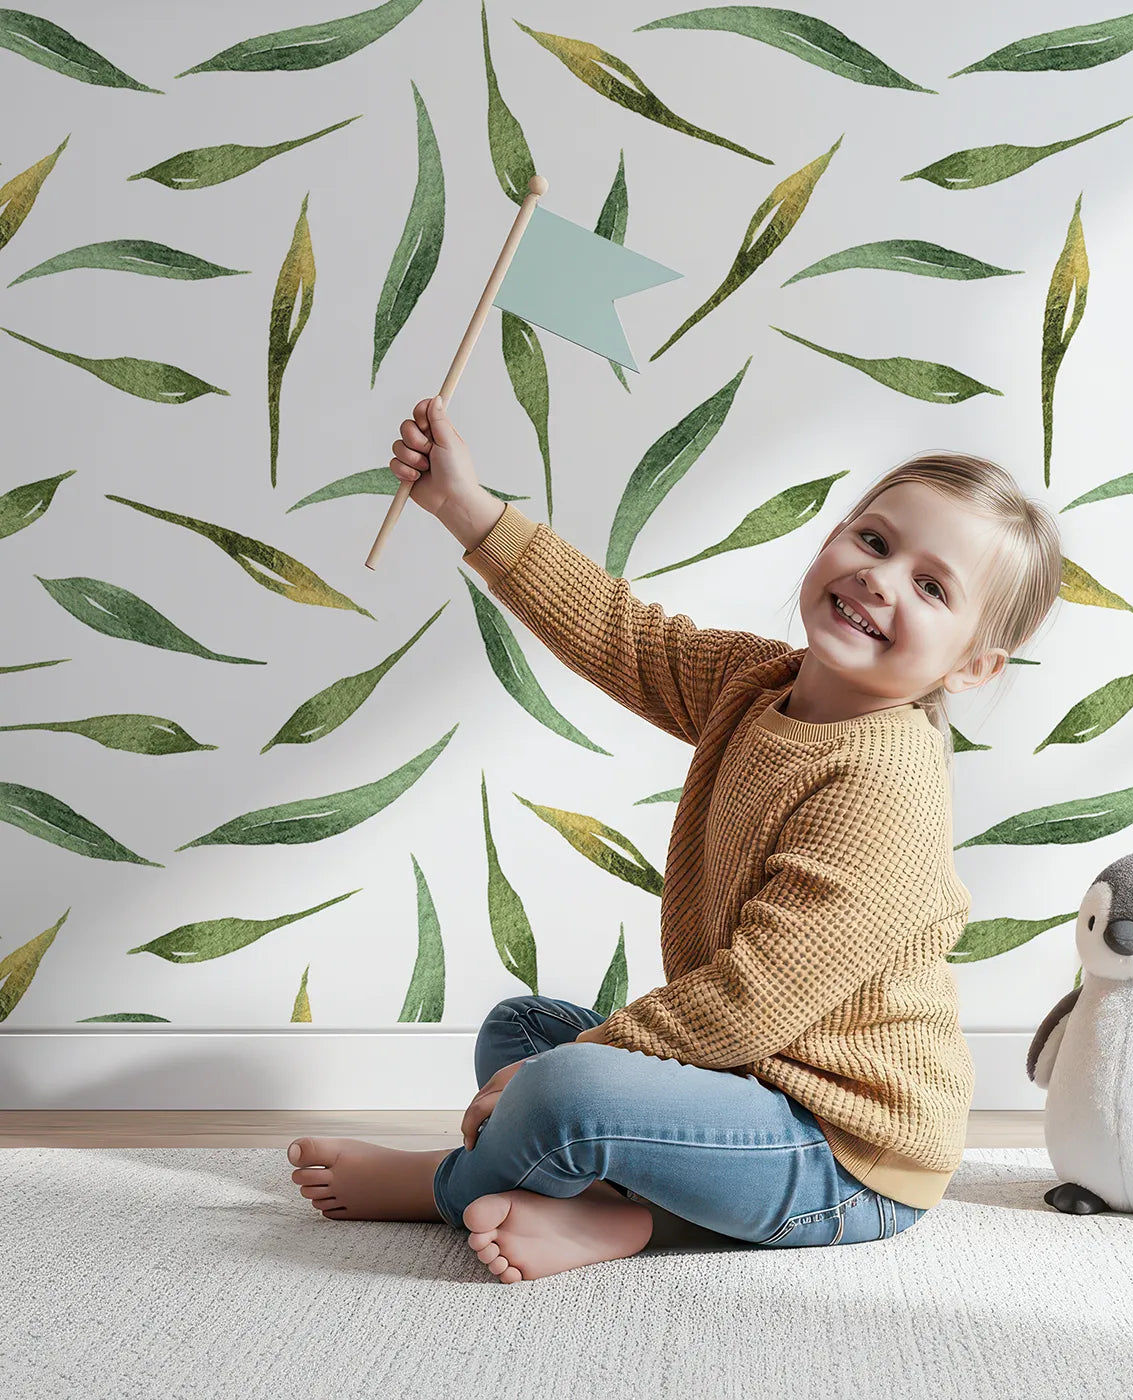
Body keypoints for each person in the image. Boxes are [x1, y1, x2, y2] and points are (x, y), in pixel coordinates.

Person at [286, 396, 1063, 1283]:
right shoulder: (755, 683)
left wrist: (584, 1066)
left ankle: (443, 1187)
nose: (882, 581)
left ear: (971, 666)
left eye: (932, 588)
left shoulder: (885, 784)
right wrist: (467, 509)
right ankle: (618, 1212)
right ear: (833, 539)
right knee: (526, 1030)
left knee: (560, 1086)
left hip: (842, 1154)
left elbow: (749, 1001)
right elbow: (619, 633)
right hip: (749, 1083)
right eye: (875, 542)